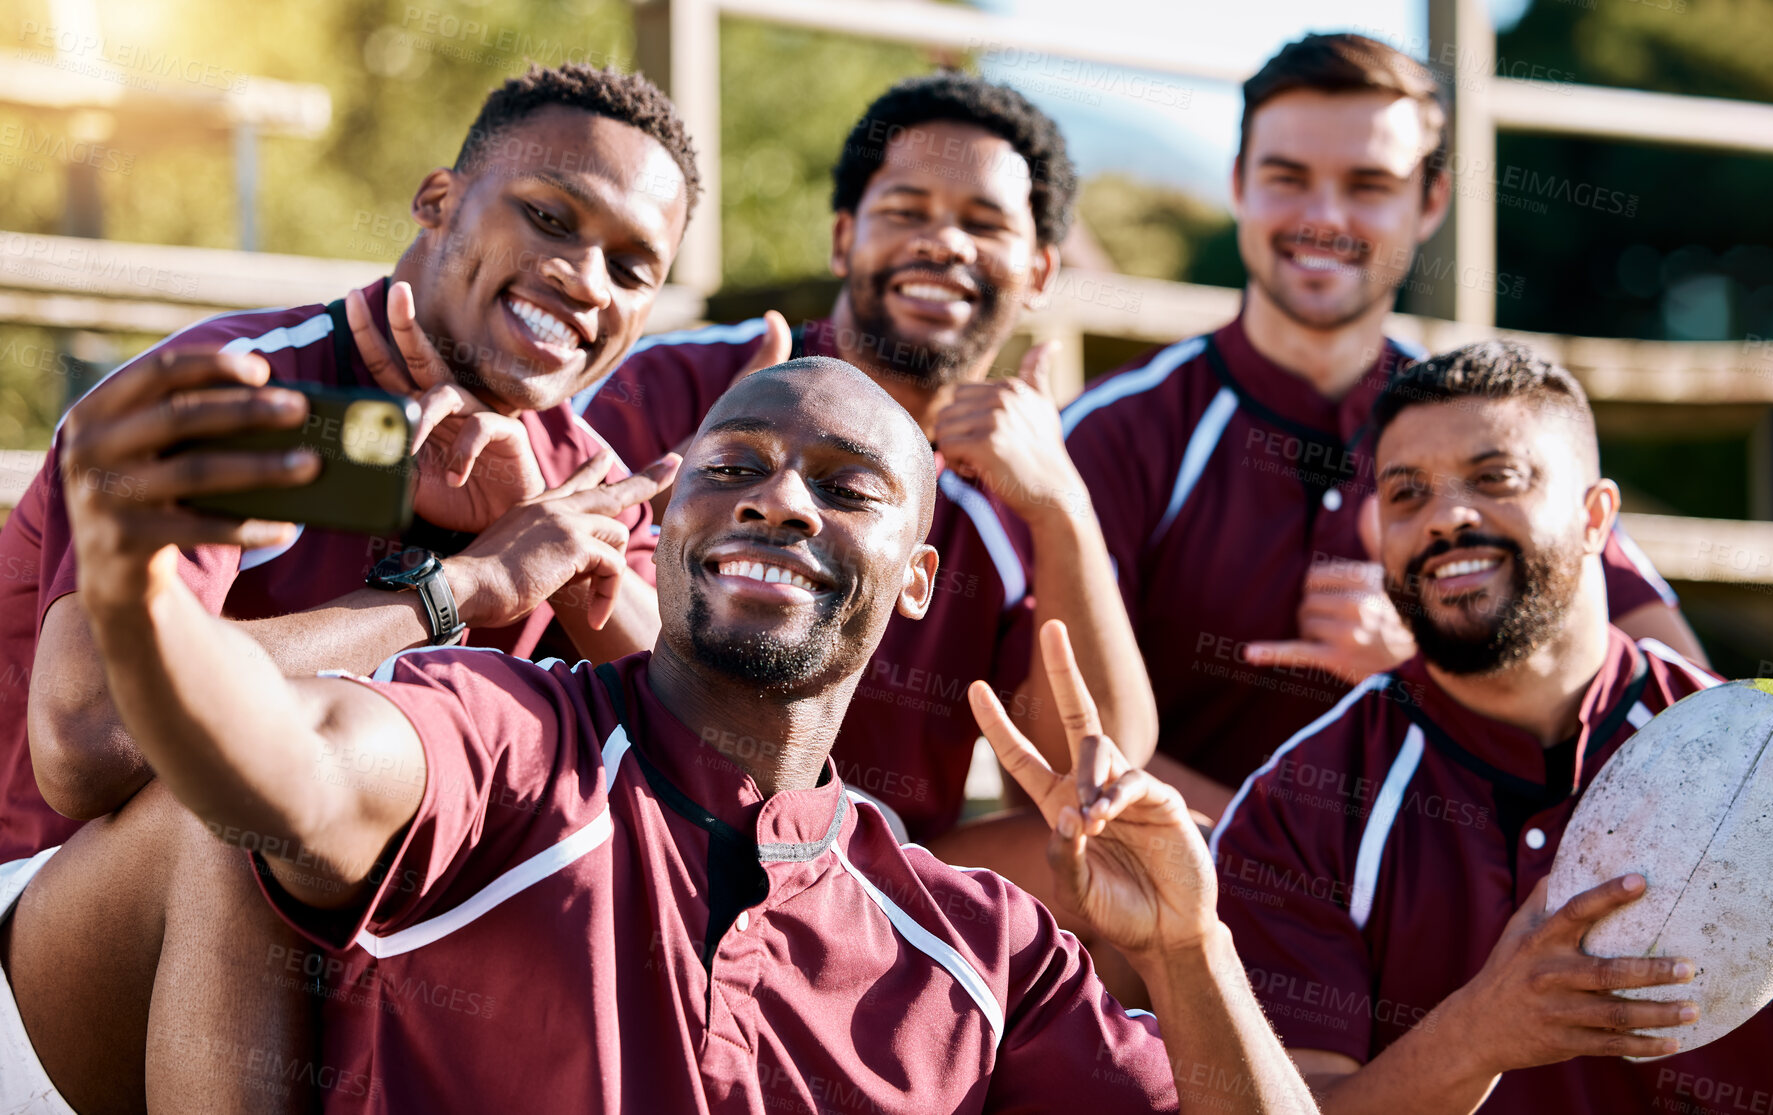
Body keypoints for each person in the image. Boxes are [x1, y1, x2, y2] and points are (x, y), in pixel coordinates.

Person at [10, 353, 1320, 1114]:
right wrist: (133, 589)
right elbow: (290, 763)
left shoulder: (974, 945)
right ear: (670, 523)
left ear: (916, 579)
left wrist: (1190, 949)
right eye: (730, 467)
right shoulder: (510, 739)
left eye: (844, 486)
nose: (777, 503)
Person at [0, 62, 695, 1112]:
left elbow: (721, 765)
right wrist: (458, 585)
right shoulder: (246, 389)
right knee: (248, 786)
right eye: (552, 216)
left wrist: (587, 576)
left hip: (368, 970)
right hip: (60, 953)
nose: (587, 278)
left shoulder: (577, 478)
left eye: (634, 268)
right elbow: (88, 738)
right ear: (438, 200)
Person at [1055, 33, 1703, 823]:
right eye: (1287, 178)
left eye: (1368, 183)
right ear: (1237, 185)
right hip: (1190, 905)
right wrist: (1269, 868)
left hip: (1482, 907)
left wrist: (1433, 659)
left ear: (1430, 200)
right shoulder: (1117, 429)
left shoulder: (1493, 422)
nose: (1324, 217)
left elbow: (1686, 713)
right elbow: (1064, 736)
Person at [1210, 341, 1773, 1113]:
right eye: (1406, 493)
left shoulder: (1764, 771)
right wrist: (1480, 1032)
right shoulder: (1295, 807)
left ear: (1594, 517)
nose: (1446, 516)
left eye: (1494, 478)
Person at [577, 72, 1155, 843]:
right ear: (844, 236)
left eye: (983, 221)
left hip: (870, 886)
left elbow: (1098, 762)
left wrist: (1062, 509)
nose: (942, 241)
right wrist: (699, 495)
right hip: (629, 812)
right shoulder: (682, 381)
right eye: (905, 209)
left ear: (1042, 270)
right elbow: (546, 563)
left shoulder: (1020, 480)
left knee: (1117, 844)